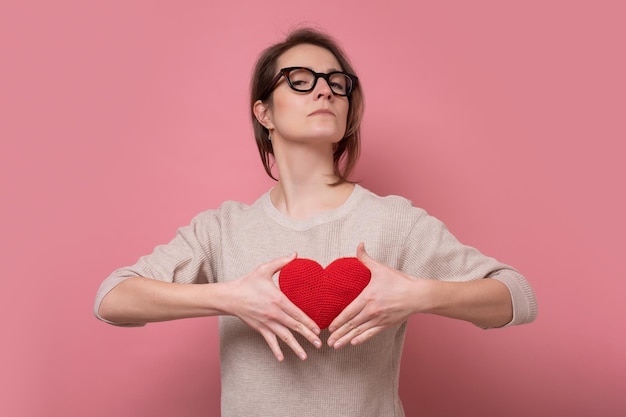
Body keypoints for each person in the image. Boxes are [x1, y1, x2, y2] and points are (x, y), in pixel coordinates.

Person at [95, 27, 537, 417]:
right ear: (264, 113)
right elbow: (113, 300)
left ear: (348, 112)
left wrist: (417, 294)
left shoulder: (394, 221)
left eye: (337, 84)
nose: (324, 92)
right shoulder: (223, 229)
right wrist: (231, 298)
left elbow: (517, 297)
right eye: (300, 82)